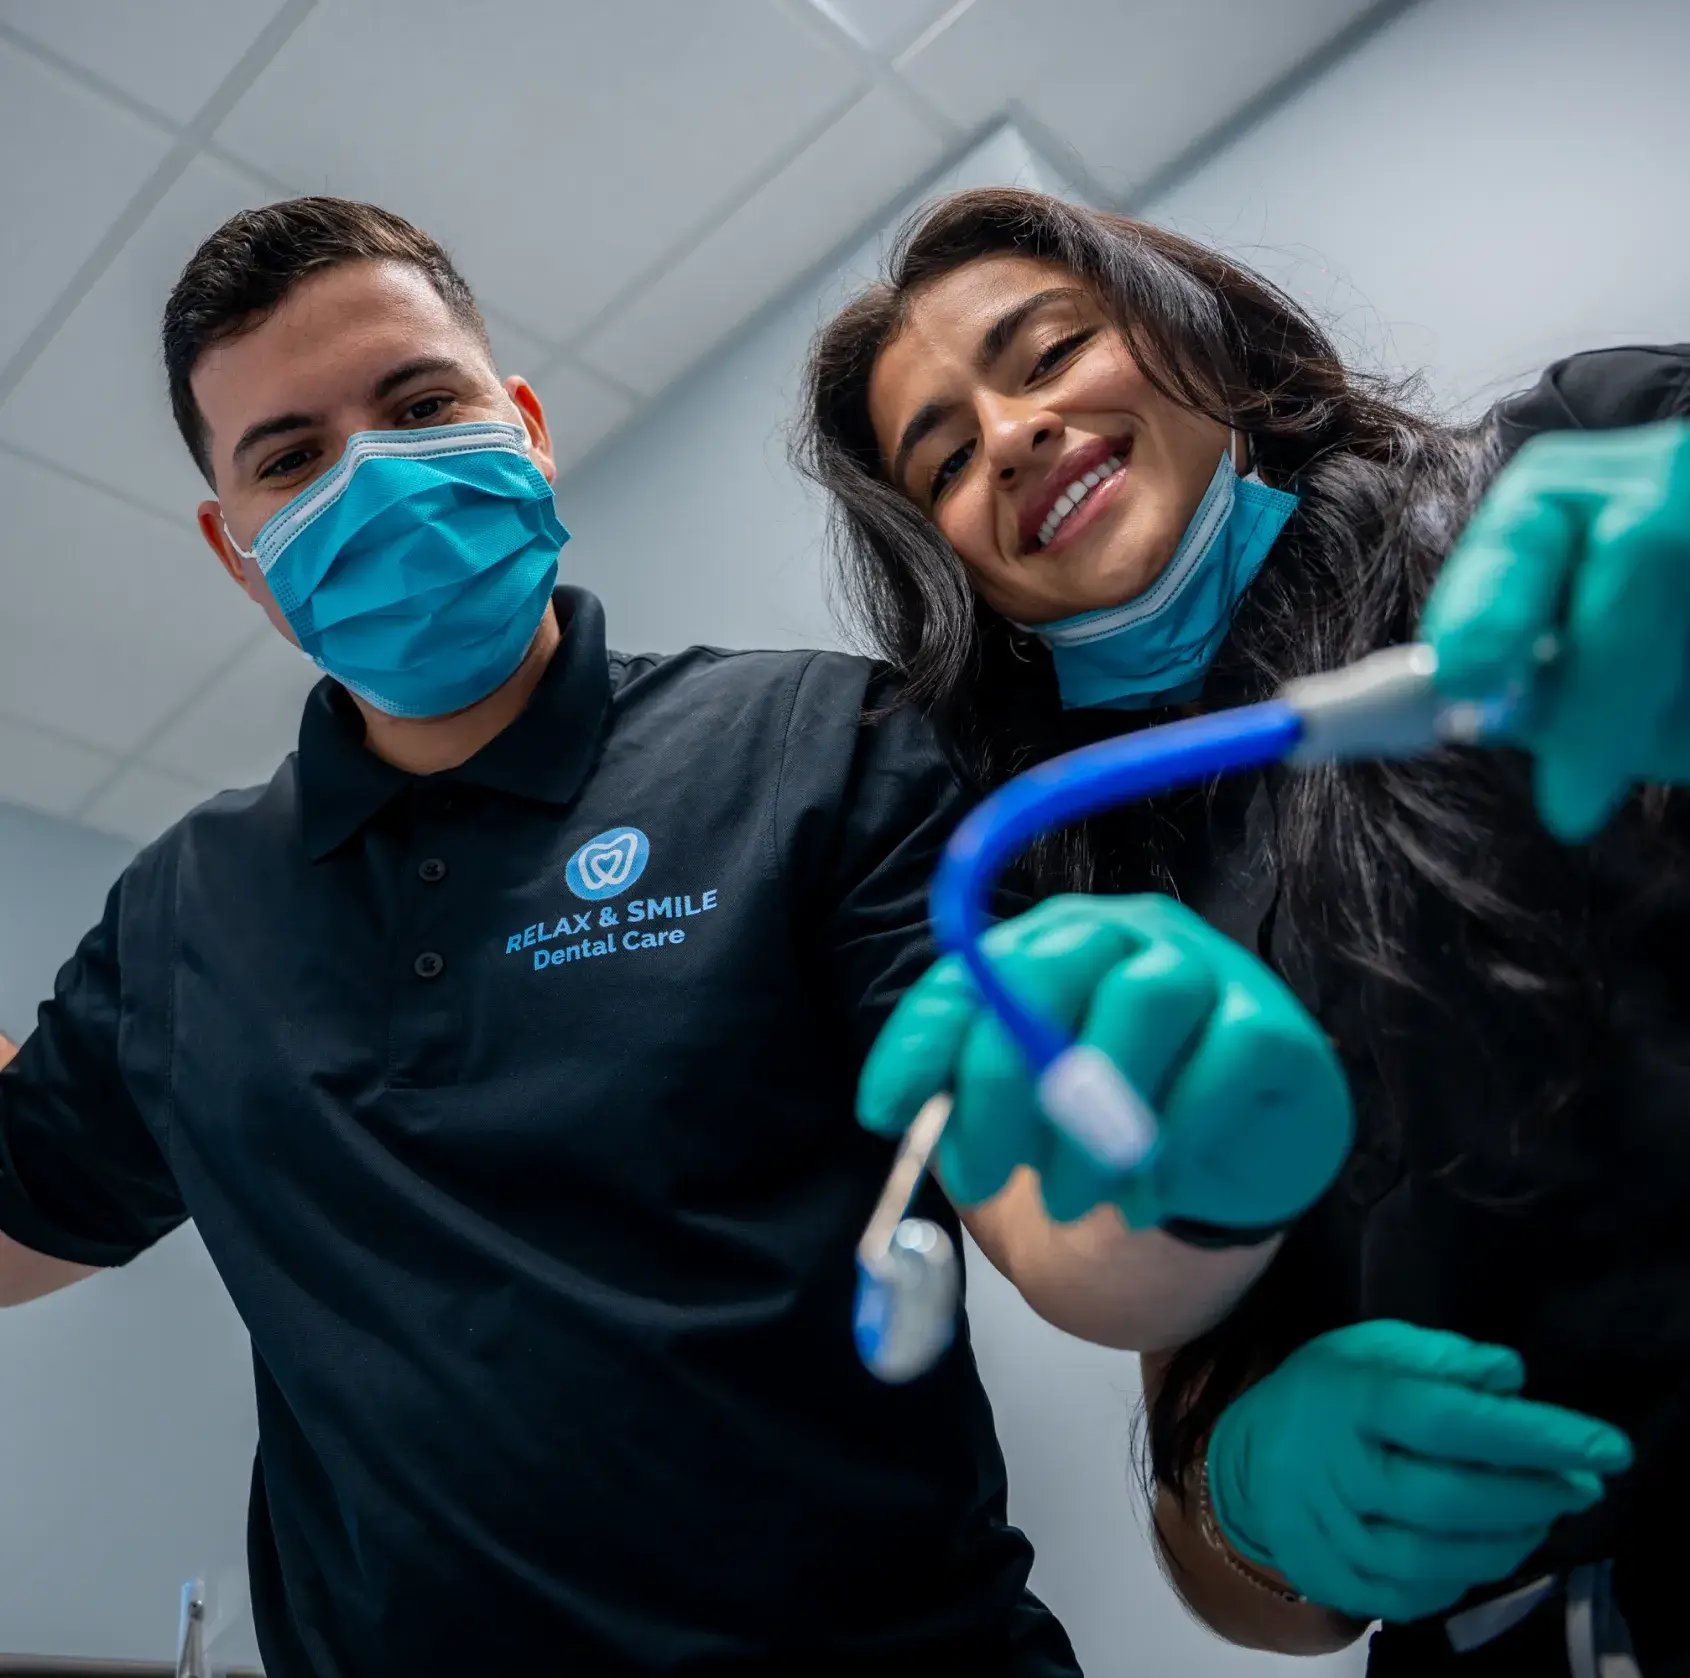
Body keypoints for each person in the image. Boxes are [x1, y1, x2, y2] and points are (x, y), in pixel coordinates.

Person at [0, 192, 1348, 1677]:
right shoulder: (185, 910)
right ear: (234, 549)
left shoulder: (821, 743)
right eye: (291, 457)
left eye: (419, 401)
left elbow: (1053, 1219)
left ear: (521, 422)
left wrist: (1187, 1185)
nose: (372, 473)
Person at [796, 185, 1690, 1675]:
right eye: (944, 456)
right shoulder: (1068, 900)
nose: (1008, 434)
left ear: (1194, 332)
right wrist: (1256, 1499)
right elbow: (1227, 1553)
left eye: (1044, 352)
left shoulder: (1559, 470)